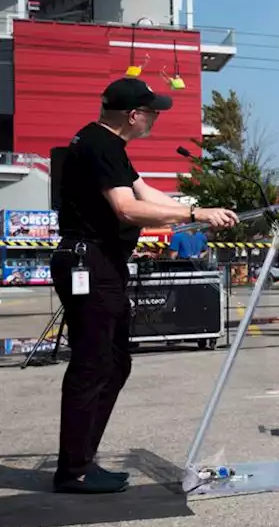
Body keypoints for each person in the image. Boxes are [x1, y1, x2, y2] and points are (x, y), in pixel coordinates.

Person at [50, 77, 237, 493]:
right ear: (134, 115)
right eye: (152, 112)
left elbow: (143, 191)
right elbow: (126, 208)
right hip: (90, 261)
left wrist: (203, 210)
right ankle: (74, 470)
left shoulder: (108, 146)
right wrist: (193, 213)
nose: (155, 118)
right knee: (92, 365)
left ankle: (83, 461)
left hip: (103, 263)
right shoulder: (99, 145)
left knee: (115, 363)